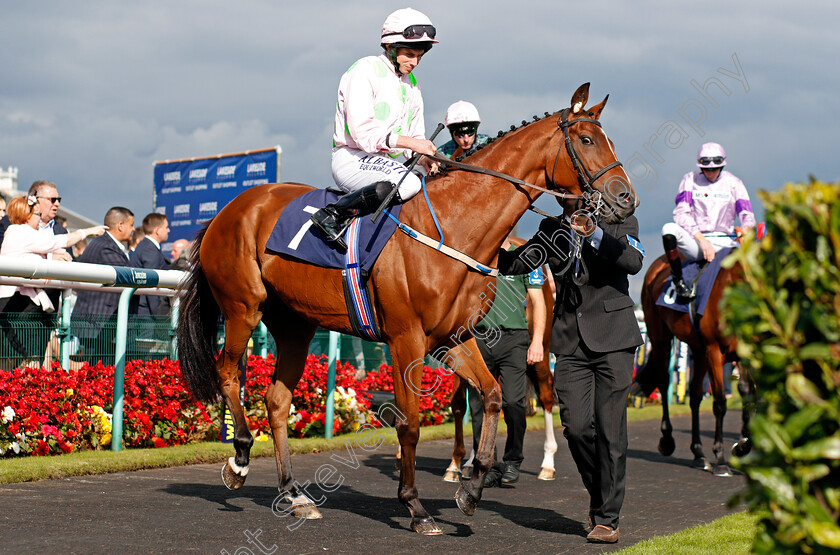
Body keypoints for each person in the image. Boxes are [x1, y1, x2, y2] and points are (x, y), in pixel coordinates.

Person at [497, 197, 644, 544]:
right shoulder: (550, 229)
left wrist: (593, 232)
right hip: (570, 343)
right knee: (576, 429)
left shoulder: (619, 218)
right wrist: (489, 237)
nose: (567, 194)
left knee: (610, 431)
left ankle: (608, 517)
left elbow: (633, 261)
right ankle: (600, 495)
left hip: (614, 337)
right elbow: (516, 263)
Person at [309, 7, 440, 249]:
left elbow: (415, 137)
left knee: (431, 185)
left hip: (383, 163)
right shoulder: (364, 70)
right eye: (409, 54)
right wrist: (412, 144)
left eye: (419, 56)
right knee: (409, 184)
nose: (415, 62)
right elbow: (363, 135)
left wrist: (423, 158)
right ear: (391, 48)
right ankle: (334, 214)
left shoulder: (412, 84)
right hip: (352, 158)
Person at [469, 236, 546, 487]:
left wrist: (537, 342)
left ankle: (513, 459)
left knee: (513, 402)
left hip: (514, 340)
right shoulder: (477, 253)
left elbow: (538, 301)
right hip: (479, 339)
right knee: (478, 404)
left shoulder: (526, 258)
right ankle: (485, 462)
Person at [0, 195, 106, 366]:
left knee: (21, 359)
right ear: (26, 216)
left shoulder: (16, 233)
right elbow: (58, 241)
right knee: (24, 359)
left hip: (20, 303)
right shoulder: (20, 231)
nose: (40, 218)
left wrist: (52, 259)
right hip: (18, 304)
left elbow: (30, 256)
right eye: (37, 214)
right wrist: (86, 231)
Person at [661, 142, 755, 301]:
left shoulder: (735, 183)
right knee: (668, 229)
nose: (710, 172)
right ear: (701, 167)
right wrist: (702, 240)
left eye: (715, 169)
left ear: (722, 166)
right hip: (697, 242)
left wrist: (746, 229)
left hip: (726, 242)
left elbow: (747, 214)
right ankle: (678, 280)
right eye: (706, 169)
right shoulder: (689, 179)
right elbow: (681, 213)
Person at [71, 207, 135, 362]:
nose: (133, 229)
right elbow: (127, 276)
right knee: (98, 376)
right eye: (131, 225)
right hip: (97, 324)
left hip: (98, 324)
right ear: (120, 225)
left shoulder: (103, 244)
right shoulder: (106, 246)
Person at [130, 213, 171, 317]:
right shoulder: (150, 249)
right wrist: (158, 315)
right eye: (166, 227)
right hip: (146, 312)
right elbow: (151, 283)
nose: (168, 230)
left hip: (143, 309)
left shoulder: (146, 246)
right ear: (157, 230)